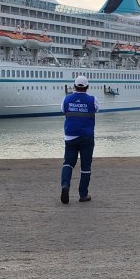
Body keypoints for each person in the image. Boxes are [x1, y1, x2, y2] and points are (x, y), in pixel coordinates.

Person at [60, 75, 98, 204]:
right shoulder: (93, 100)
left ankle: (65, 185)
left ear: (74, 86)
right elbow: (96, 109)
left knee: (68, 163)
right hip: (87, 136)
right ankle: (83, 195)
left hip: (70, 136)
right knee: (85, 166)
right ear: (87, 87)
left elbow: (63, 110)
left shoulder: (66, 99)